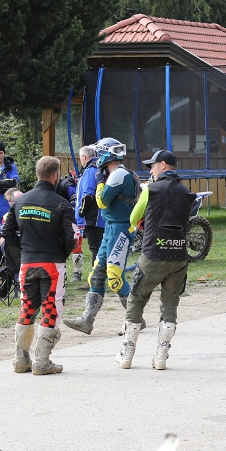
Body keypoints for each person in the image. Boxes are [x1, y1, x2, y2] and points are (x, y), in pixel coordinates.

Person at [118, 150, 196, 370]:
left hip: (153, 254)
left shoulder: (150, 190)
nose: (150, 170)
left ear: (162, 165)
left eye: (152, 166)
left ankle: (127, 354)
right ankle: (161, 356)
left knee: (136, 298)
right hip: (178, 256)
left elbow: (134, 218)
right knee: (170, 303)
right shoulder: (187, 193)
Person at [2, 156, 75, 375]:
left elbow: (6, 232)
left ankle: (20, 359)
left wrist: (24, 250)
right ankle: (42, 361)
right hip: (52, 263)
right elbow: (72, 238)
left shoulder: (20, 201)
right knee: (51, 308)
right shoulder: (62, 203)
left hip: (27, 263)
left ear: (36, 174)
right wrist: (61, 254)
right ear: (56, 176)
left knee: (27, 307)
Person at [64, 137, 137, 335]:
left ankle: (135, 319)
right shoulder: (116, 173)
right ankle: (87, 320)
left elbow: (102, 201)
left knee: (114, 276)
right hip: (112, 228)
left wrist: (99, 183)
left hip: (120, 229)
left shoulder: (119, 174)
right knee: (96, 274)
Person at [75, 145, 105, 287]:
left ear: (84, 157)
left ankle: (95, 281)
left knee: (95, 249)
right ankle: (100, 278)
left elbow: (88, 195)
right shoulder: (99, 168)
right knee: (100, 248)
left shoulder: (89, 170)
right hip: (100, 216)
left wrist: (81, 212)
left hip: (93, 217)